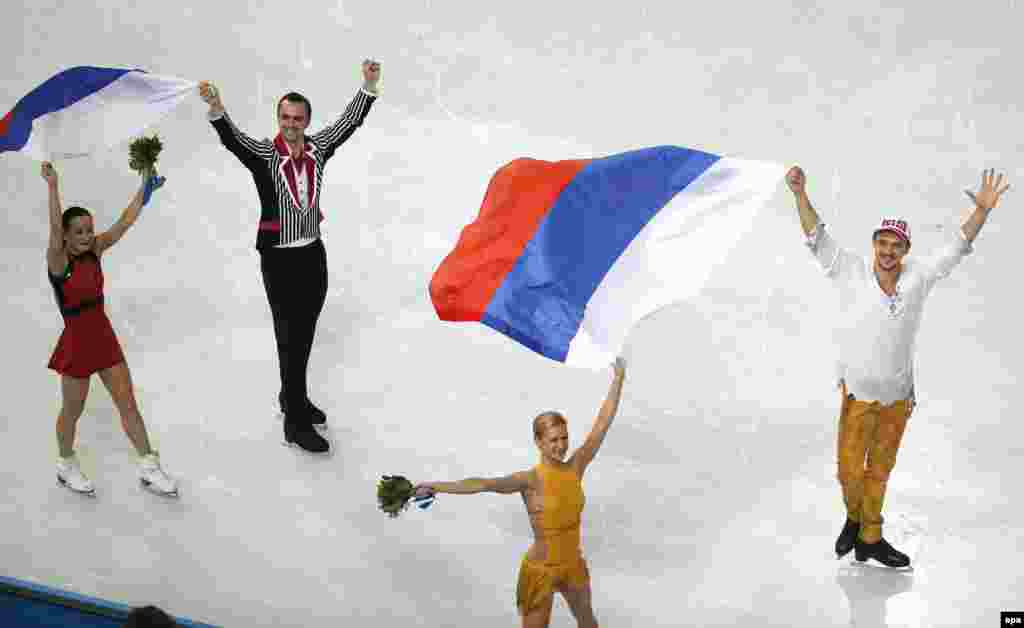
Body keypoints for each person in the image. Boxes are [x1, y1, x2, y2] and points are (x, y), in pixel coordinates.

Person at [786, 166, 1010, 568]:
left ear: (906, 251)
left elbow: (957, 247)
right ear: (874, 244)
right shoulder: (850, 270)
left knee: (881, 471)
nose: (889, 251)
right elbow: (816, 237)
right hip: (857, 395)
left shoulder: (919, 277)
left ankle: (870, 536)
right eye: (883, 243)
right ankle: (854, 518)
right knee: (850, 471)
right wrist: (801, 193)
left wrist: (982, 212)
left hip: (897, 400)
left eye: (897, 245)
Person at [198, 59, 381, 454]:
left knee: (306, 331)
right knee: (289, 337)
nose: (291, 123)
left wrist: (367, 85)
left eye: (298, 118)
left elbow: (348, 124)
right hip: (279, 260)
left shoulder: (319, 149)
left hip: (313, 253)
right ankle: (294, 424)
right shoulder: (264, 154)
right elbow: (233, 139)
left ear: (306, 120)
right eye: (285, 116)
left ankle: (292, 397)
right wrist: (216, 107)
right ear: (277, 118)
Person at [414, 358, 627, 628]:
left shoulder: (575, 467)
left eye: (564, 438)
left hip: (572, 564)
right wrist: (437, 486)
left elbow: (601, 425)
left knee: (588, 622)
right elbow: (483, 484)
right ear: (538, 442)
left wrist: (618, 377)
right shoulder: (529, 480)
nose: (561, 446)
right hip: (540, 572)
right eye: (553, 440)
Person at [43, 161, 178, 498]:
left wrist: (144, 190)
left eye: (89, 229)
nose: (88, 236)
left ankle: (149, 464)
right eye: (80, 232)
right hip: (76, 342)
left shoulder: (96, 249)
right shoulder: (58, 261)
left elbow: (123, 223)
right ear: (67, 235)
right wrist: (52, 186)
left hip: (103, 337)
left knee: (127, 403)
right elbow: (54, 230)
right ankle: (65, 462)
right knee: (72, 411)